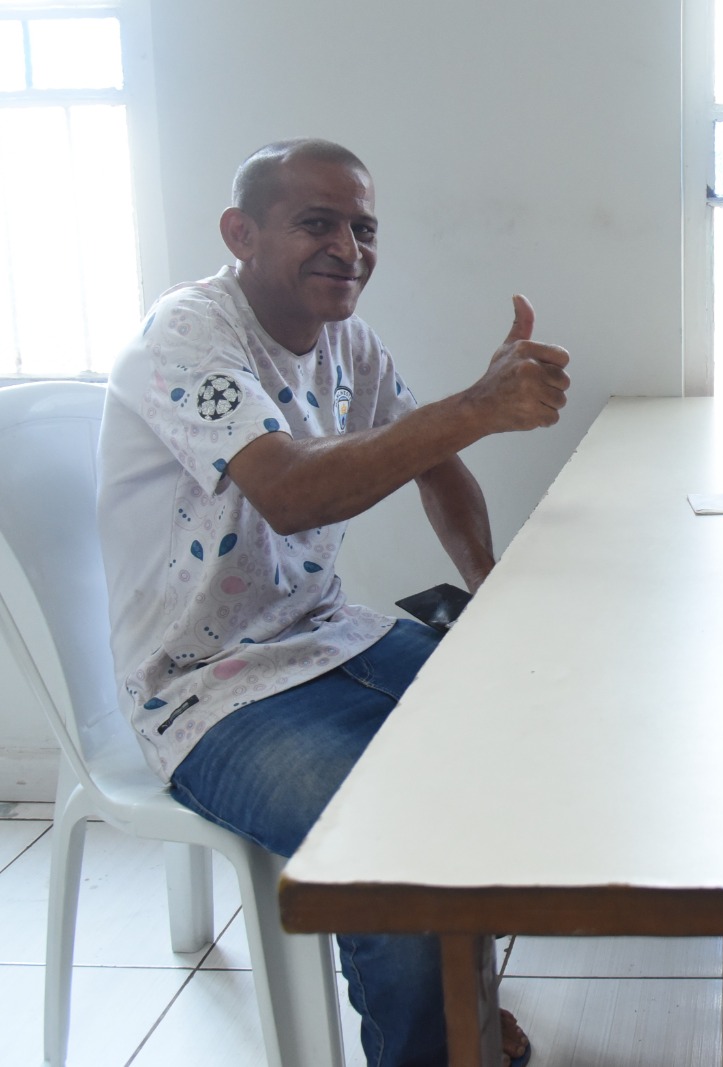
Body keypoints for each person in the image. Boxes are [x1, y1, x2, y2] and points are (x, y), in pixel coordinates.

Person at [96, 138, 568, 1067]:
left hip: (329, 635)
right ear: (241, 233)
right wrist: (475, 405)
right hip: (204, 688)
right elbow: (290, 489)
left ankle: (457, 997)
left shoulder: (350, 341)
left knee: (525, 727)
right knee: (387, 846)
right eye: (318, 223)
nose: (349, 249)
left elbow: (435, 461)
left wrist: (488, 586)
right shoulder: (185, 335)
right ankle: (432, 1041)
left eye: (364, 228)